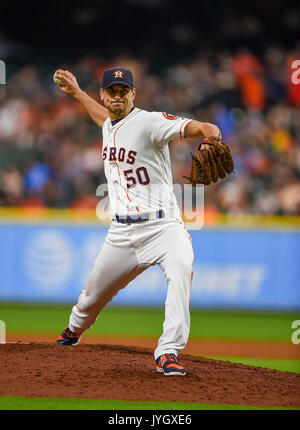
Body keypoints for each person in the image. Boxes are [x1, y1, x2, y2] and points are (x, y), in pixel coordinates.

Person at [54, 66, 222, 376]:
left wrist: (211, 133)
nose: (117, 96)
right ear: (104, 95)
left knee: (182, 268)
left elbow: (201, 127)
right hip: (122, 232)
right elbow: (102, 119)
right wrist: (78, 93)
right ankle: (73, 332)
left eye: (123, 91)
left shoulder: (149, 122)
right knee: (92, 297)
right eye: (111, 91)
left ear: (133, 93)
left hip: (163, 227)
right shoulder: (109, 124)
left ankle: (168, 351)